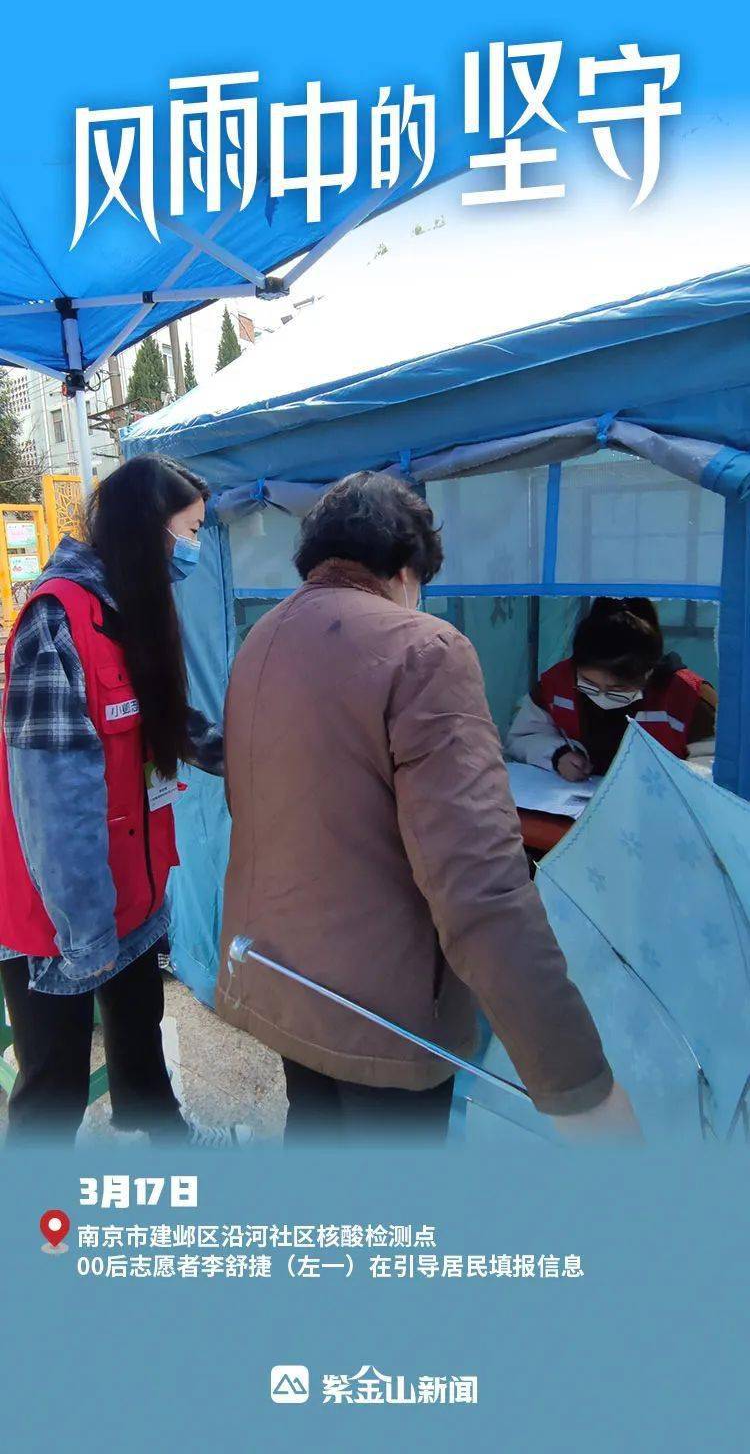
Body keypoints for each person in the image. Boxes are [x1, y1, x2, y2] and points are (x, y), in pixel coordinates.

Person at [216, 472, 637, 1143]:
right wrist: (578, 1085)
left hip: (284, 976)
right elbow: (480, 886)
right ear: (407, 570)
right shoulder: (424, 649)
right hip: (385, 1014)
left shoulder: (261, 640)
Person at [0, 455, 245, 1146]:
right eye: (190, 532)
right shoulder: (57, 621)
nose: (193, 549)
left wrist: (257, 757)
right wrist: (86, 936)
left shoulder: (128, 610)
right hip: (62, 904)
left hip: (129, 884)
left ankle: (169, 1142)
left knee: (140, 1033)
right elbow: (52, 802)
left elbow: (164, 726)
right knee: (55, 1084)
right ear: (149, 530)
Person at [506, 597, 718, 782]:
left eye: (618, 689)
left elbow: (715, 767)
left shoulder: (690, 698)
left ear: (648, 672)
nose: (601, 696)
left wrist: (667, 779)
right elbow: (522, 737)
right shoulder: (557, 683)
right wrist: (557, 755)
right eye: (589, 685)